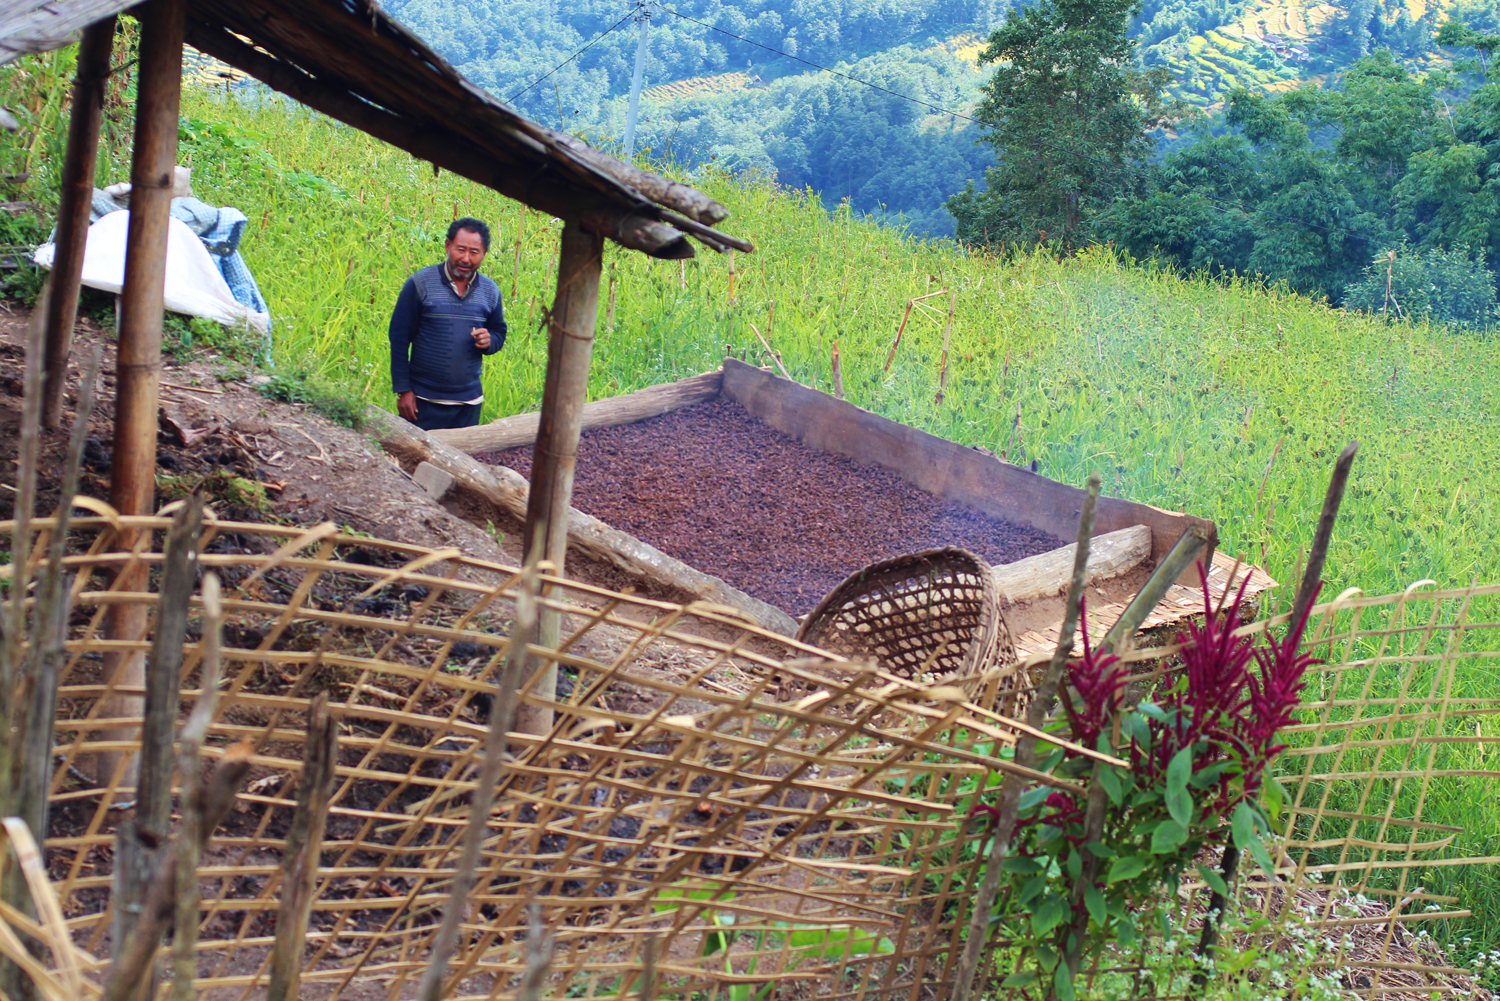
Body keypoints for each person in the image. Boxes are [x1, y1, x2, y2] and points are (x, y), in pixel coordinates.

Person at [389, 217, 507, 431]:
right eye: (460, 249)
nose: (465, 258)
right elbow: (398, 338)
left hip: (468, 405)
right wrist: (403, 389)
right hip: (422, 401)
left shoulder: (490, 292)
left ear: (484, 254)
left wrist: (490, 341)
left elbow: (499, 332)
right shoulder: (420, 284)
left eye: (474, 252)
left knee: (459, 462)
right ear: (447, 246)